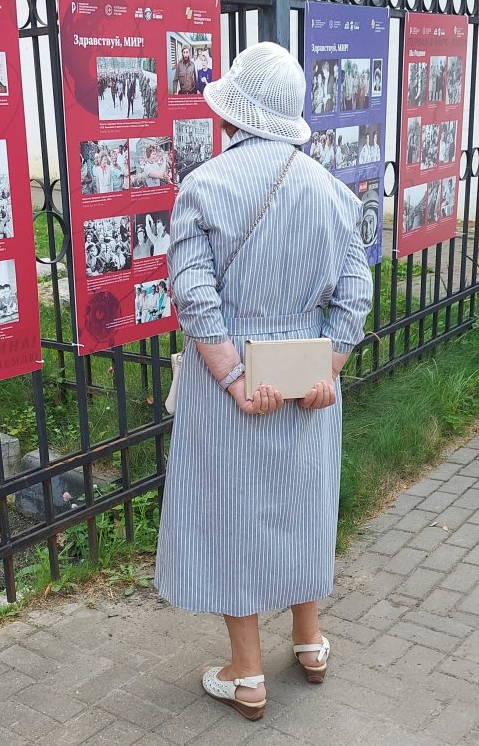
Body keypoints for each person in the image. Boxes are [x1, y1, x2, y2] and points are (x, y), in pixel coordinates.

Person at [155, 42, 372, 721]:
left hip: (231, 380)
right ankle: (309, 643)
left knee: (233, 513)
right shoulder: (332, 192)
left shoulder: (204, 187)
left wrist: (233, 378)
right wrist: (326, 371)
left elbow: (195, 297)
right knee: (302, 502)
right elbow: (355, 295)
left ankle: (247, 675)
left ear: (232, 114)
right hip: (307, 377)